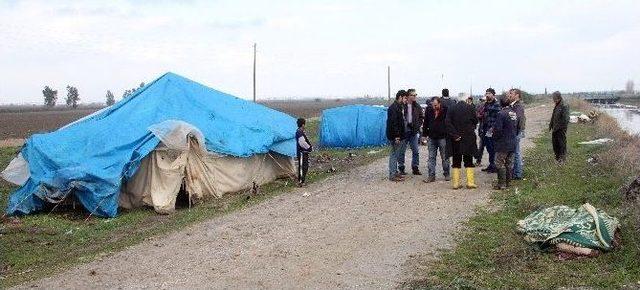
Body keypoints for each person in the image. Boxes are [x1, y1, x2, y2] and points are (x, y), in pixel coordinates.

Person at [445, 96, 478, 189]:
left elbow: (447, 122)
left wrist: (455, 135)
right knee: (468, 160)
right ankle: (470, 183)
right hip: (468, 138)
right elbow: (475, 121)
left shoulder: (451, 108)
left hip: (456, 139)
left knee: (456, 160)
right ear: (466, 99)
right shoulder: (470, 107)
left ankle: (456, 183)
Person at [492, 94, 519, 190]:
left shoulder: (501, 114)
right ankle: (508, 183)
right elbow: (518, 126)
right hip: (513, 141)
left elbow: (498, 129)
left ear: (500, 104)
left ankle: (501, 184)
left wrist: (494, 138)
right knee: (509, 163)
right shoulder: (513, 113)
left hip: (503, 143)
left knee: (499, 163)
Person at [422, 97, 450, 182]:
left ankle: (446, 173)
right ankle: (431, 176)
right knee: (431, 157)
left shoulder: (446, 110)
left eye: (435, 105)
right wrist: (424, 134)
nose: (434, 107)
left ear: (439, 103)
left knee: (445, 157)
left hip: (442, 137)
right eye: (432, 105)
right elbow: (425, 122)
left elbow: (449, 122)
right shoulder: (428, 110)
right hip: (431, 137)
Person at [399, 88, 424, 175]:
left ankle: (415, 167)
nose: (414, 96)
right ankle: (401, 167)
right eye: (412, 95)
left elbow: (421, 117)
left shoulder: (417, 106)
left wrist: (417, 125)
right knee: (402, 150)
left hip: (413, 131)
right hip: (404, 131)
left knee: (416, 150)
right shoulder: (403, 106)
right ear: (408, 96)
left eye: (415, 95)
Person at [387, 90, 408, 181]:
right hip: (395, 136)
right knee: (394, 155)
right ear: (400, 97)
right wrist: (397, 136)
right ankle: (392, 175)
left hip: (397, 135)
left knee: (395, 154)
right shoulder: (394, 108)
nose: (406, 100)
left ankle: (395, 172)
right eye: (405, 98)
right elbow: (394, 123)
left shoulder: (399, 107)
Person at [480, 88, 501, 173]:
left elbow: (498, 117)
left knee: (493, 148)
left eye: (489, 93)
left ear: (493, 94)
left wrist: (493, 128)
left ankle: (494, 166)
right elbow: (481, 114)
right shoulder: (486, 104)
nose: (487, 95)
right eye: (486, 93)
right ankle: (491, 164)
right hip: (485, 128)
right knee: (489, 148)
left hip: (491, 129)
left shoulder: (496, 104)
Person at [510, 89, 526, 179]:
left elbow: (518, 120)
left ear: (517, 95)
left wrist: (515, 131)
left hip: (516, 132)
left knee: (516, 153)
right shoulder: (514, 105)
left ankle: (517, 174)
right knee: (515, 152)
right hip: (515, 131)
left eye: (511, 94)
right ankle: (516, 172)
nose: (509, 95)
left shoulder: (518, 106)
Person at [549, 91, 570, 163]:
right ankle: (557, 158)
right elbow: (554, 116)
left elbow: (566, 119)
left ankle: (562, 159)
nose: (553, 99)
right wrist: (551, 125)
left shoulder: (564, 105)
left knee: (561, 144)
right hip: (555, 129)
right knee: (555, 144)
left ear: (557, 97)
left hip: (560, 130)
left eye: (553, 97)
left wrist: (560, 128)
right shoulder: (557, 105)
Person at [296, 118, 313, 186]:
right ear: (303, 125)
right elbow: (302, 143)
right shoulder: (299, 133)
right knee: (303, 167)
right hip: (302, 152)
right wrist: (309, 148)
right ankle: (301, 182)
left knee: (305, 166)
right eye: (304, 124)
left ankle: (302, 181)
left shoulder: (301, 132)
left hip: (304, 152)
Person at [474, 96, 487, 166]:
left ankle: (479, 161)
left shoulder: (487, 108)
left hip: (486, 129)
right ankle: (478, 161)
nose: (482, 102)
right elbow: (477, 116)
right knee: (481, 146)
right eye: (481, 101)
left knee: (484, 147)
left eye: (483, 101)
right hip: (482, 129)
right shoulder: (479, 107)